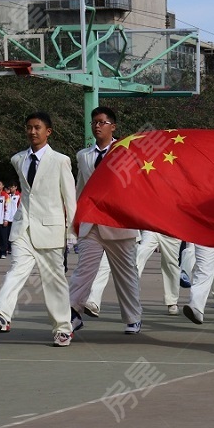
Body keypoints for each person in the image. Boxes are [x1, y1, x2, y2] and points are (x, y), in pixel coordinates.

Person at [0, 112, 77, 347]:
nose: (32, 132)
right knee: (15, 271)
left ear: (49, 132)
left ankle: (63, 328)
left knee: (54, 281)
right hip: (23, 227)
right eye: (29, 127)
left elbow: (70, 200)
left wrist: (72, 234)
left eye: (37, 127)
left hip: (51, 230)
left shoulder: (61, 160)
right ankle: (2, 316)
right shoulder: (18, 159)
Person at [69, 106, 142, 335]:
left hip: (120, 224)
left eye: (102, 122)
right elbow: (81, 189)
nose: (97, 126)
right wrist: (75, 221)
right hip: (91, 225)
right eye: (94, 122)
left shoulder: (126, 151)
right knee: (83, 271)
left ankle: (133, 318)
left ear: (113, 126)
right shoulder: (83, 156)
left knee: (126, 275)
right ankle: (71, 313)